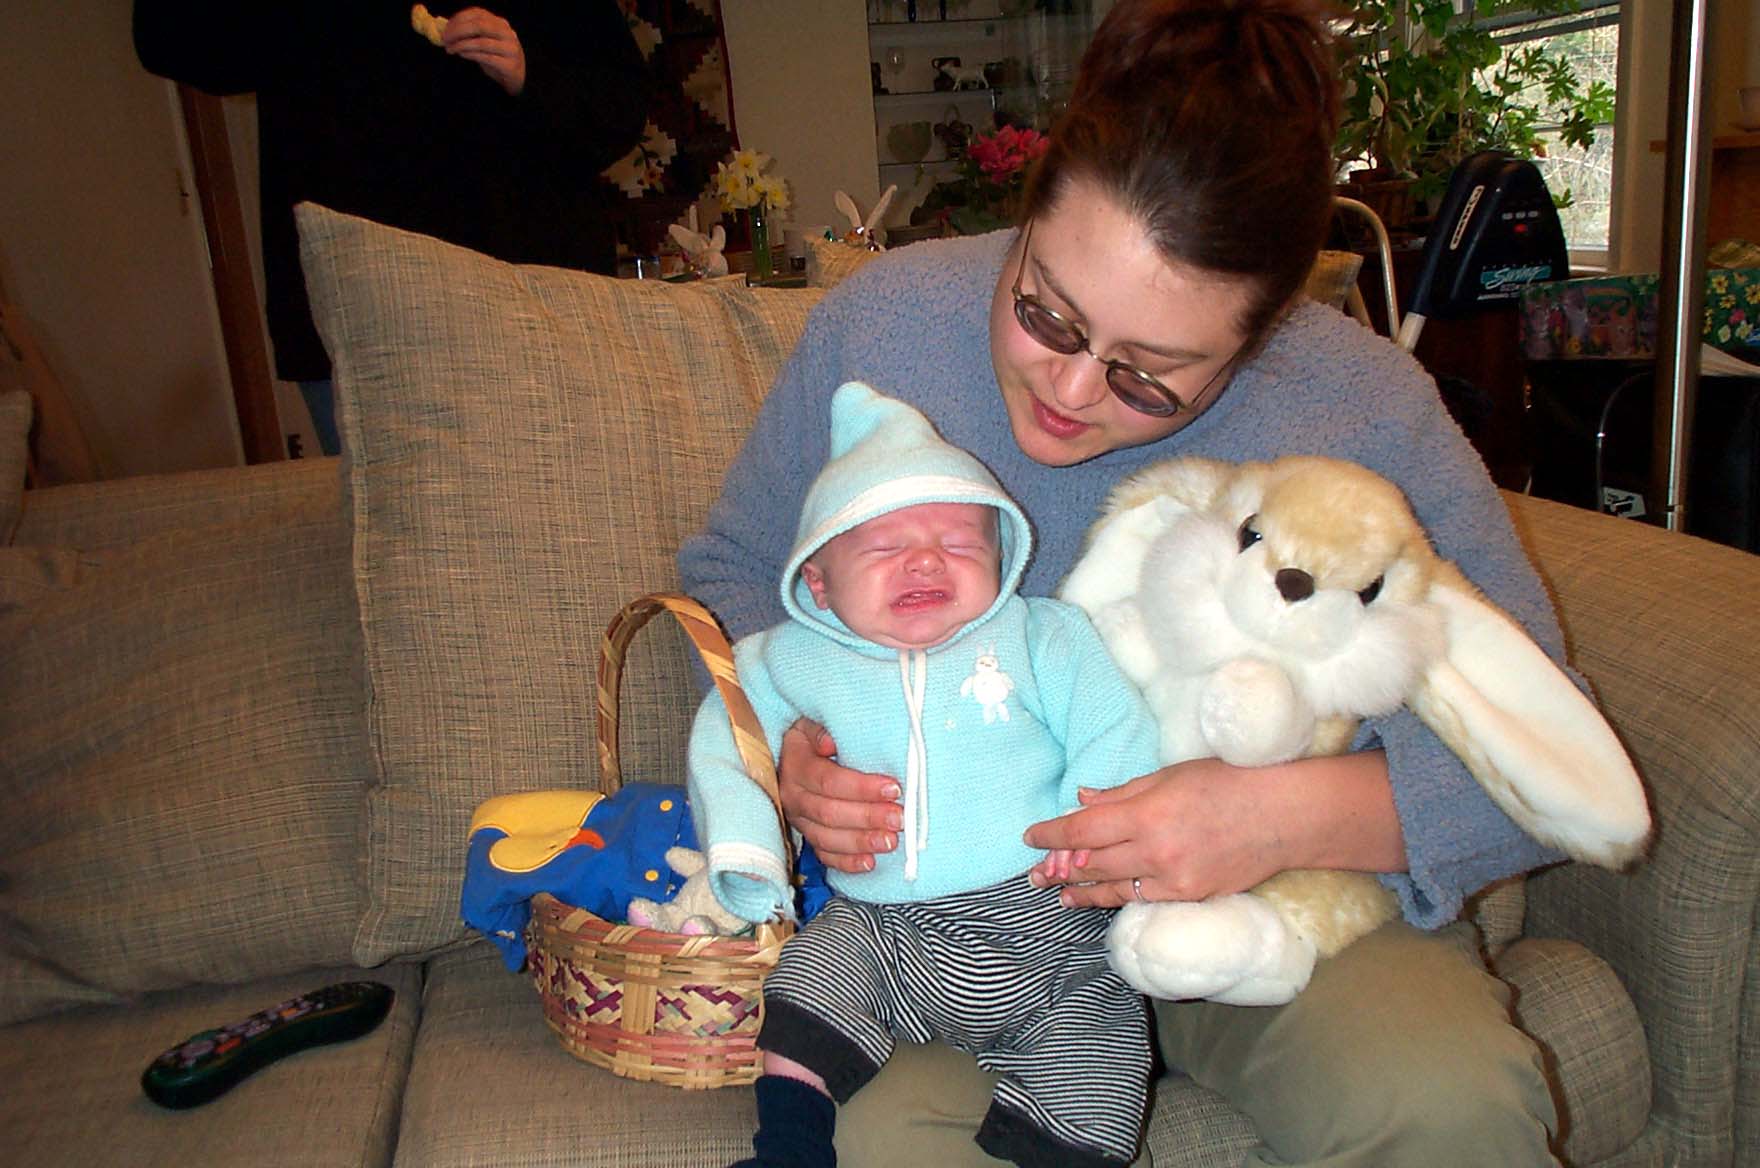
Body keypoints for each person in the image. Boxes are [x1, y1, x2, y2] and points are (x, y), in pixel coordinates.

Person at [678, 0, 1566, 1164]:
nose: (1070, 389)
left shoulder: (1364, 409)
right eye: (1043, 310)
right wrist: (790, 749)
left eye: (1150, 376)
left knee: (1443, 1104)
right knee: (877, 1140)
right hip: (950, 931)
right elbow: (733, 573)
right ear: (1028, 206)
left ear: (1263, 337)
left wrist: (1269, 817)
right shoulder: (882, 328)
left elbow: (1541, 751)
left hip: (1283, 916)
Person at [689, 381, 1161, 1168]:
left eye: (961, 542)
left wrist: (1098, 830)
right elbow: (726, 737)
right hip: (888, 933)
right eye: (883, 547)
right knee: (808, 979)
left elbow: (1113, 724)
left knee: (1102, 1046)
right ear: (818, 582)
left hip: (1049, 926)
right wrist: (748, 848)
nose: (926, 559)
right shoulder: (790, 659)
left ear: (1002, 560)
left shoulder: (1042, 637)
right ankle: (789, 1151)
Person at [133, 1, 649, 455]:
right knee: (394, 529)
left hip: (535, 303)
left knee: (577, 508)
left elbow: (619, 105)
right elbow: (171, 38)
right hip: (358, 316)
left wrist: (527, 72)